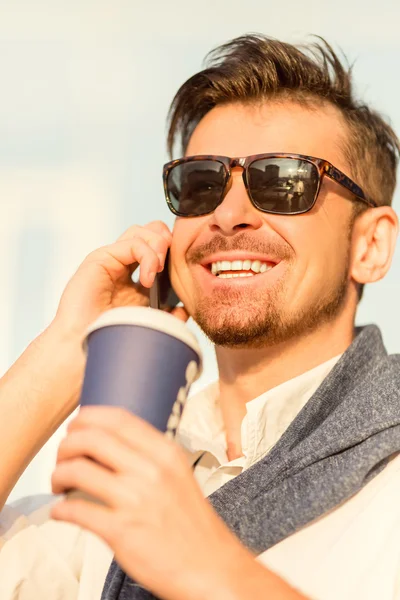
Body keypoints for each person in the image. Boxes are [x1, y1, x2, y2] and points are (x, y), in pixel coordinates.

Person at [0, 34, 399, 600]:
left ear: (371, 245)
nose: (229, 214)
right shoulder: (130, 481)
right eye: (201, 185)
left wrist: (207, 568)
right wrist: (70, 348)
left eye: (283, 181)